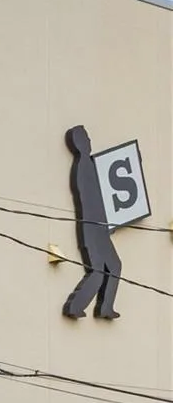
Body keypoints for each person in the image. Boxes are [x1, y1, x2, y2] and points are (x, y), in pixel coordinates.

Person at [62, 125, 122, 320]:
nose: (89, 141)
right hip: (93, 229)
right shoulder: (84, 166)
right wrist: (104, 224)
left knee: (112, 267)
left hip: (96, 228)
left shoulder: (86, 164)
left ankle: (104, 307)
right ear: (79, 142)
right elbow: (90, 201)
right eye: (86, 138)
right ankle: (77, 306)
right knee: (99, 270)